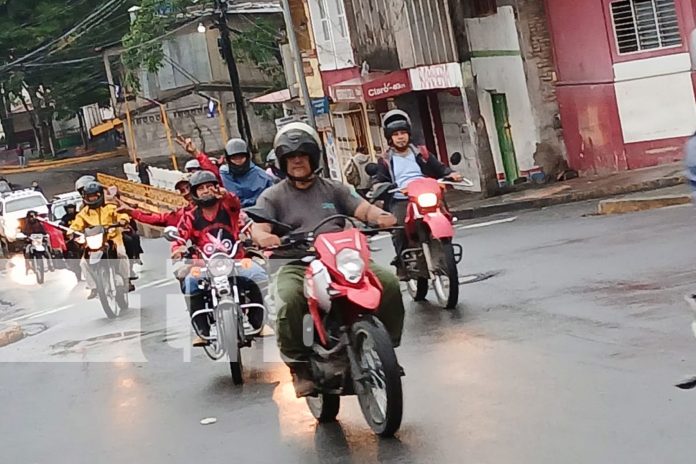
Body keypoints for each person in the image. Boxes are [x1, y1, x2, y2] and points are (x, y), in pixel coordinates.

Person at [250, 122, 405, 397]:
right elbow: (259, 227)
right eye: (290, 157)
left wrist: (380, 217)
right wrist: (264, 237)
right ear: (282, 161)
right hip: (296, 263)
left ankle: (386, 350)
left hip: (342, 259)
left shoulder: (334, 188)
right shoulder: (272, 196)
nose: (297, 161)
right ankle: (299, 366)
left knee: (389, 283)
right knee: (288, 301)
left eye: (302, 155)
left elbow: (363, 209)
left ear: (314, 157)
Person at [174, 170, 268, 347]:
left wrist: (227, 195)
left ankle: (259, 323)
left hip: (237, 259)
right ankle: (202, 332)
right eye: (200, 188)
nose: (206, 191)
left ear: (217, 187)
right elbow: (179, 236)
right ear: (194, 193)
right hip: (204, 265)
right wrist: (177, 248)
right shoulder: (190, 216)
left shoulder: (228, 208)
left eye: (210, 186)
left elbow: (235, 204)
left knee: (259, 274)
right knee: (190, 283)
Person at [373, 109, 462, 279]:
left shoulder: (422, 153)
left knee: (445, 217)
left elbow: (439, 168)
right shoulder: (385, 159)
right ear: (389, 138)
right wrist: (380, 187)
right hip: (402, 200)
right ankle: (401, 262)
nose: (400, 137)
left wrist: (451, 174)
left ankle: (444, 252)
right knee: (398, 229)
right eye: (396, 134)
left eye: (403, 133)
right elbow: (379, 179)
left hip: (426, 195)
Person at [69, 181, 134, 298]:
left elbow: (121, 214)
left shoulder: (110, 207)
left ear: (100, 195)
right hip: (93, 242)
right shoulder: (83, 213)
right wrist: (71, 232)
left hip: (112, 239)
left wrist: (123, 220)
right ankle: (94, 287)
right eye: (89, 196)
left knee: (121, 254)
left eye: (95, 196)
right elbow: (76, 225)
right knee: (83, 263)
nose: (92, 198)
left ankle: (126, 280)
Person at [176, 135, 274, 207]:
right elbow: (211, 171)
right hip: (231, 220)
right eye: (234, 157)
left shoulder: (263, 177)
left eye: (241, 157)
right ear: (228, 159)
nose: (238, 161)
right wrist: (195, 153)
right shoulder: (224, 174)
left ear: (248, 157)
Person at [117, 176, 194, 228]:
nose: (186, 192)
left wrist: (197, 154)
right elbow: (160, 219)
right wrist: (131, 212)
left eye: (188, 187)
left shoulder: (204, 203)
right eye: (182, 191)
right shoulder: (183, 213)